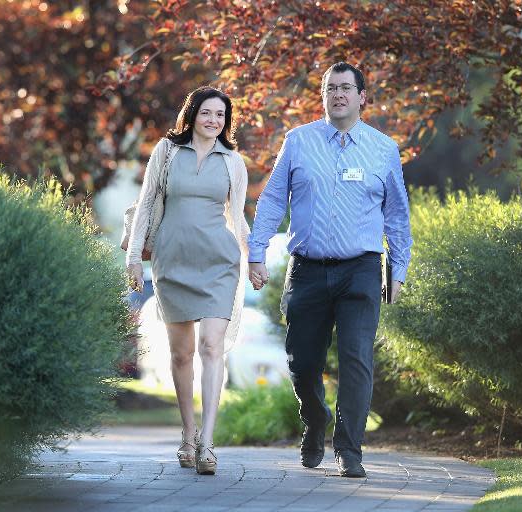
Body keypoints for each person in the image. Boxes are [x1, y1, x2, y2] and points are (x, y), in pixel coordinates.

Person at [247, 62, 413, 478]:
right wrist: (256, 251)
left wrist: (399, 268)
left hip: (360, 269)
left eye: (345, 88)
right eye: (329, 88)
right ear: (322, 96)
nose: (337, 95)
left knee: (357, 359)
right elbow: (271, 200)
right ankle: (316, 419)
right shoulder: (298, 142)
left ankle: (349, 450)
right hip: (307, 269)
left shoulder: (383, 149)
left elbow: (397, 216)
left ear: (362, 97)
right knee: (302, 362)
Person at [126, 86, 250, 475]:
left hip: (218, 263)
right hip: (172, 261)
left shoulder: (233, 161)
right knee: (181, 354)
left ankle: (208, 444)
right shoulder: (166, 152)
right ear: (192, 114)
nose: (214, 121)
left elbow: (240, 216)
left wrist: (256, 260)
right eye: (207, 113)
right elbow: (146, 203)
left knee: (212, 348)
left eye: (221, 115)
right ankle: (188, 434)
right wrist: (132, 257)